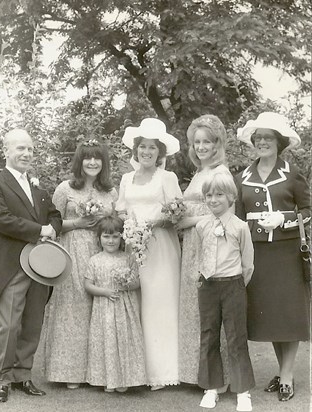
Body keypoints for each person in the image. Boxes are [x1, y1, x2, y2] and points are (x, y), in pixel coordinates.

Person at [0, 129, 62, 403]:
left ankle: (23, 375)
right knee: (9, 324)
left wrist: (52, 228)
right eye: (20, 149)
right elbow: (1, 219)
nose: (26, 154)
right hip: (12, 265)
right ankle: (1, 379)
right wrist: (41, 229)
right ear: (6, 150)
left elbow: (54, 215)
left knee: (32, 322)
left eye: (30, 149)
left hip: (40, 266)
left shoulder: (38, 189)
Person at [235, 112, 310, 402]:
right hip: (257, 253)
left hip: (286, 251)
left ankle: (288, 376)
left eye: (268, 137)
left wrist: (284, 218)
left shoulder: (292, 173)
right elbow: (238, 219)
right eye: (259, 138)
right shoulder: (241, 177)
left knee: (288, 314)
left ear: (279, 142)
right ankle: (282, 371)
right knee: (272, 317)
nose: (263, 142)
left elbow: (308, 209)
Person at [41, 140, 118, 388]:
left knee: (98, 309)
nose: (92, 162)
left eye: (97, 158)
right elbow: (52, 223)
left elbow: (115, 227)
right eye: (87, 158)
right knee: (73, 309)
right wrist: (78, 223)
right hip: (72, 250)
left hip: (100, 253)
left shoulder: (111, 192)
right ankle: (69, 373)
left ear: (103, 162)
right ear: (80, 161)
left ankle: (97, 372)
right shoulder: (65, 189)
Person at [115, 118, 181, 390]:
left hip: (161, 247)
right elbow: (120, 209)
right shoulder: (126, 178)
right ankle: (138, 370)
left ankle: (164, 371)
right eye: (143, 147)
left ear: (160, 152)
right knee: (137, 303)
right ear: (136, 149)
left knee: (160, 304)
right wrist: (129, 226)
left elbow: (177, 213)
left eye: (153, 148)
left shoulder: (167, 178)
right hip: (133, 246)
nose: (147, 152)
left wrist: (152, 224)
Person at [175, 114, 230, 385]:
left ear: (217, 143)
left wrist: (189, 220)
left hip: (209, 242)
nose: (201, 147)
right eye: (197, 142)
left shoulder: (220, 172)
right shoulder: (200, 172)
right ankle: (195, 374)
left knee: (208, 309)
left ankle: (215, 378)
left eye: (207, 141)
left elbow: (222, 212)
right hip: (193, 244)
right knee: (193, 307)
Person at [196, 172, 255, 412]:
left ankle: (243, 391)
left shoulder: (240, 227)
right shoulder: (202, 225)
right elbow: (201, 255)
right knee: (208, 335)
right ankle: (211, 388)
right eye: (209, 195)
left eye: (219, 194)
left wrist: (236, 284)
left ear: (231, 197)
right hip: (208, 285)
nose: (213, 199)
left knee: (236, 337)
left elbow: (248, 263)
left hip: (233, 284)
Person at [84, 215, 146, 392]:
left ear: (122, 238)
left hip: (125, 309)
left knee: (125, 342)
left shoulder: (128, 258)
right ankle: (107, 379)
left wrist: (127, 283)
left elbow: (138, 282)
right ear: (99, 238)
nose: (110, 241)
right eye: (106, 236)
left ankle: (124, 379)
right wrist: (105, 292)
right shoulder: (95, 260)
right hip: (104, 310)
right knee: (107, 342)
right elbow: (88, 285)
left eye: (115, 236)